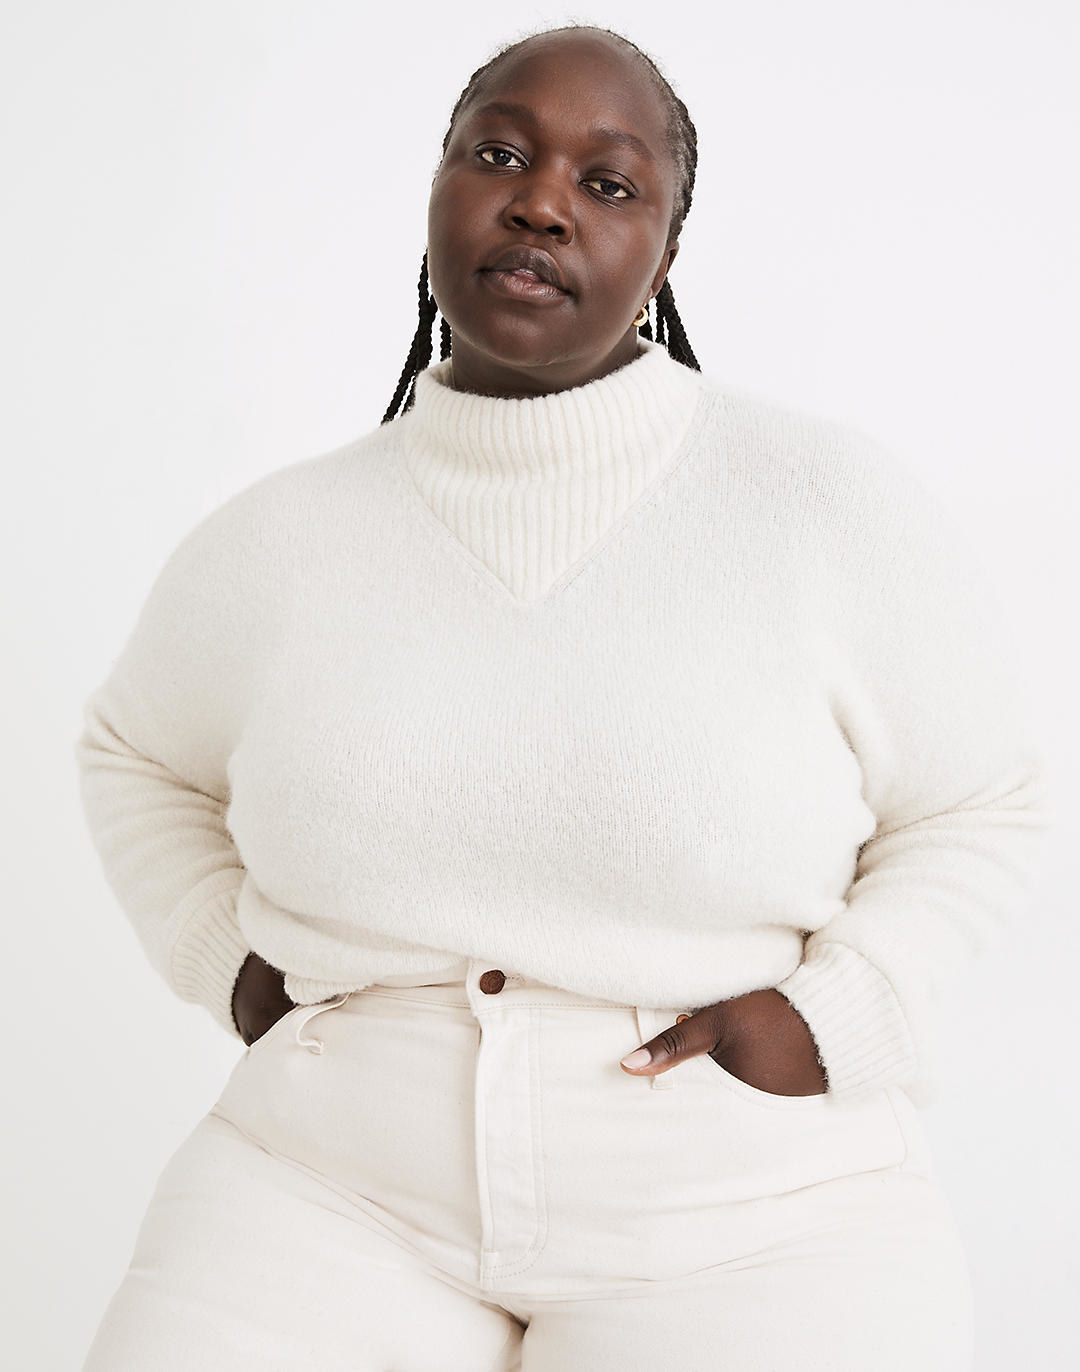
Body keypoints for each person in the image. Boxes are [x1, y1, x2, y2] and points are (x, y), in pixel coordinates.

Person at [74, 23, 1048, 1372]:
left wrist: (834, 1021)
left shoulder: (824, 510)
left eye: (608, 182)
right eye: (499, 155)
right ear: (437, 190)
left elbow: (981, 803)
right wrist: (222, 959)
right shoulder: (279, 541)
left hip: (753, 1210)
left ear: (666, 251)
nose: (541, 202)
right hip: (327, 1187)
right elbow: (135, 757)